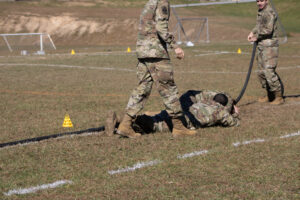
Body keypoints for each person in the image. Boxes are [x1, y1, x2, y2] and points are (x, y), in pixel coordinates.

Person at [117, 0, 196, 138]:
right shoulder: (162, 2)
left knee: (143, 88)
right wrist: (175, 46)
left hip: (143, 51)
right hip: (156, 52)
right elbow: (161, 28)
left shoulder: (150, 2)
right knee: (168, 87)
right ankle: (178, 127)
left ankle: (125, 124)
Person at [106, 90, 240, 137]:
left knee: (159, 118)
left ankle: (121, 120)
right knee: (157, 125)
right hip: (187, 121)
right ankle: (122, 124)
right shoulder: (221, 111)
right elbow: (232, 123)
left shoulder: (203, 102)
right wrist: (234, 114)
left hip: (181, 113)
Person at [247, 0, 284, 105]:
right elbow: (259, 26)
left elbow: (268, 30)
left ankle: (278, 96)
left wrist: (256, 36)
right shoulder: (261, 12)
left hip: (269, 47)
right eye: (257, 1)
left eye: (261, 0)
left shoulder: (269, 12)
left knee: (268, 71)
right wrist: (252, 32)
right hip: (261, 46)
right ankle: (270, 95)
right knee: (261, 73)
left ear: (267, 1)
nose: (259, 3)